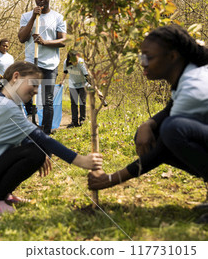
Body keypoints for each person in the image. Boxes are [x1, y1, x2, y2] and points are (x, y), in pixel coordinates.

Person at [88, 25, 208, 220]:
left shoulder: (195, 85)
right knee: (153, 131)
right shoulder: (188, 73)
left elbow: (161, 150)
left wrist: (111, 179)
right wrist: (147, 124)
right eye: (141, 57)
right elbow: (171, 108)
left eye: (148, 57)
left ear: (173, 56)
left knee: (171, 130)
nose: (143, 64)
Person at [0, 61, 103, 215]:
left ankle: (3, 193)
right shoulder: (5, 107)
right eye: (34, 84)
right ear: (16, 77)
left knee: (39, 151)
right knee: (37, 151)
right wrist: (80, 160)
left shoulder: (5, 102)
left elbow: (28, 140)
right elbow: (41, 138)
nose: (36, 91)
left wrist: (41, 153)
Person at [18, 0, 66, 135]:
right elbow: (22, 38)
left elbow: (63, 40)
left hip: (50, 64)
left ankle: (45, 132)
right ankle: (31, 125)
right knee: (27, 95)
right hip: (32, 63)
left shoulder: (58, 17)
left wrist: (45, 42)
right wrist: (33, 17)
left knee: (48, 101)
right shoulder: (26, 16)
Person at [60, 51, 89, 128]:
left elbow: (87, 75)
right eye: (74, 60)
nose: (76, 61)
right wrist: (62, 81)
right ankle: (74, 122)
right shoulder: (66, 62)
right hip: (73, 85)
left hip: (83, 84)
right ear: (70, 60)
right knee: (74, 103)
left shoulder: (81, 62)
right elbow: (65, 72)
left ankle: (82, 120)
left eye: (77, 59)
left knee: (82, 102)